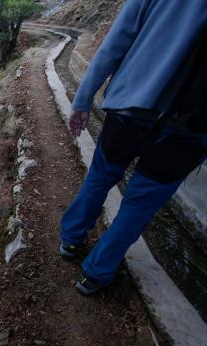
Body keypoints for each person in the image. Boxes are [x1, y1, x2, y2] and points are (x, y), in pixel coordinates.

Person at [59, 0, 207, 295]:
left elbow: (116, 43)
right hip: (189, 130)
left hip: (131, 107)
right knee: (139, 206)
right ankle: (96, 275)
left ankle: (72, 239)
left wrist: (83, 98)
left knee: (100, 177)